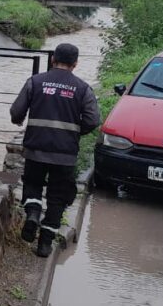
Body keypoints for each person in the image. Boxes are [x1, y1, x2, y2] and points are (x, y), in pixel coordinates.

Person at [9, 43, 101, 257]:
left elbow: (16, 111)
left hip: (35, 149)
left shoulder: (35, 82)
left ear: (53, 59)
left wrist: (18, 119)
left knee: (33, 184)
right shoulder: (83, 88)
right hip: (65, 155)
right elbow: (93, 120)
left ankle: (33, 213)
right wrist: (74, 132)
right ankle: (45, 244)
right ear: (75, 64)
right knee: (58, 197)